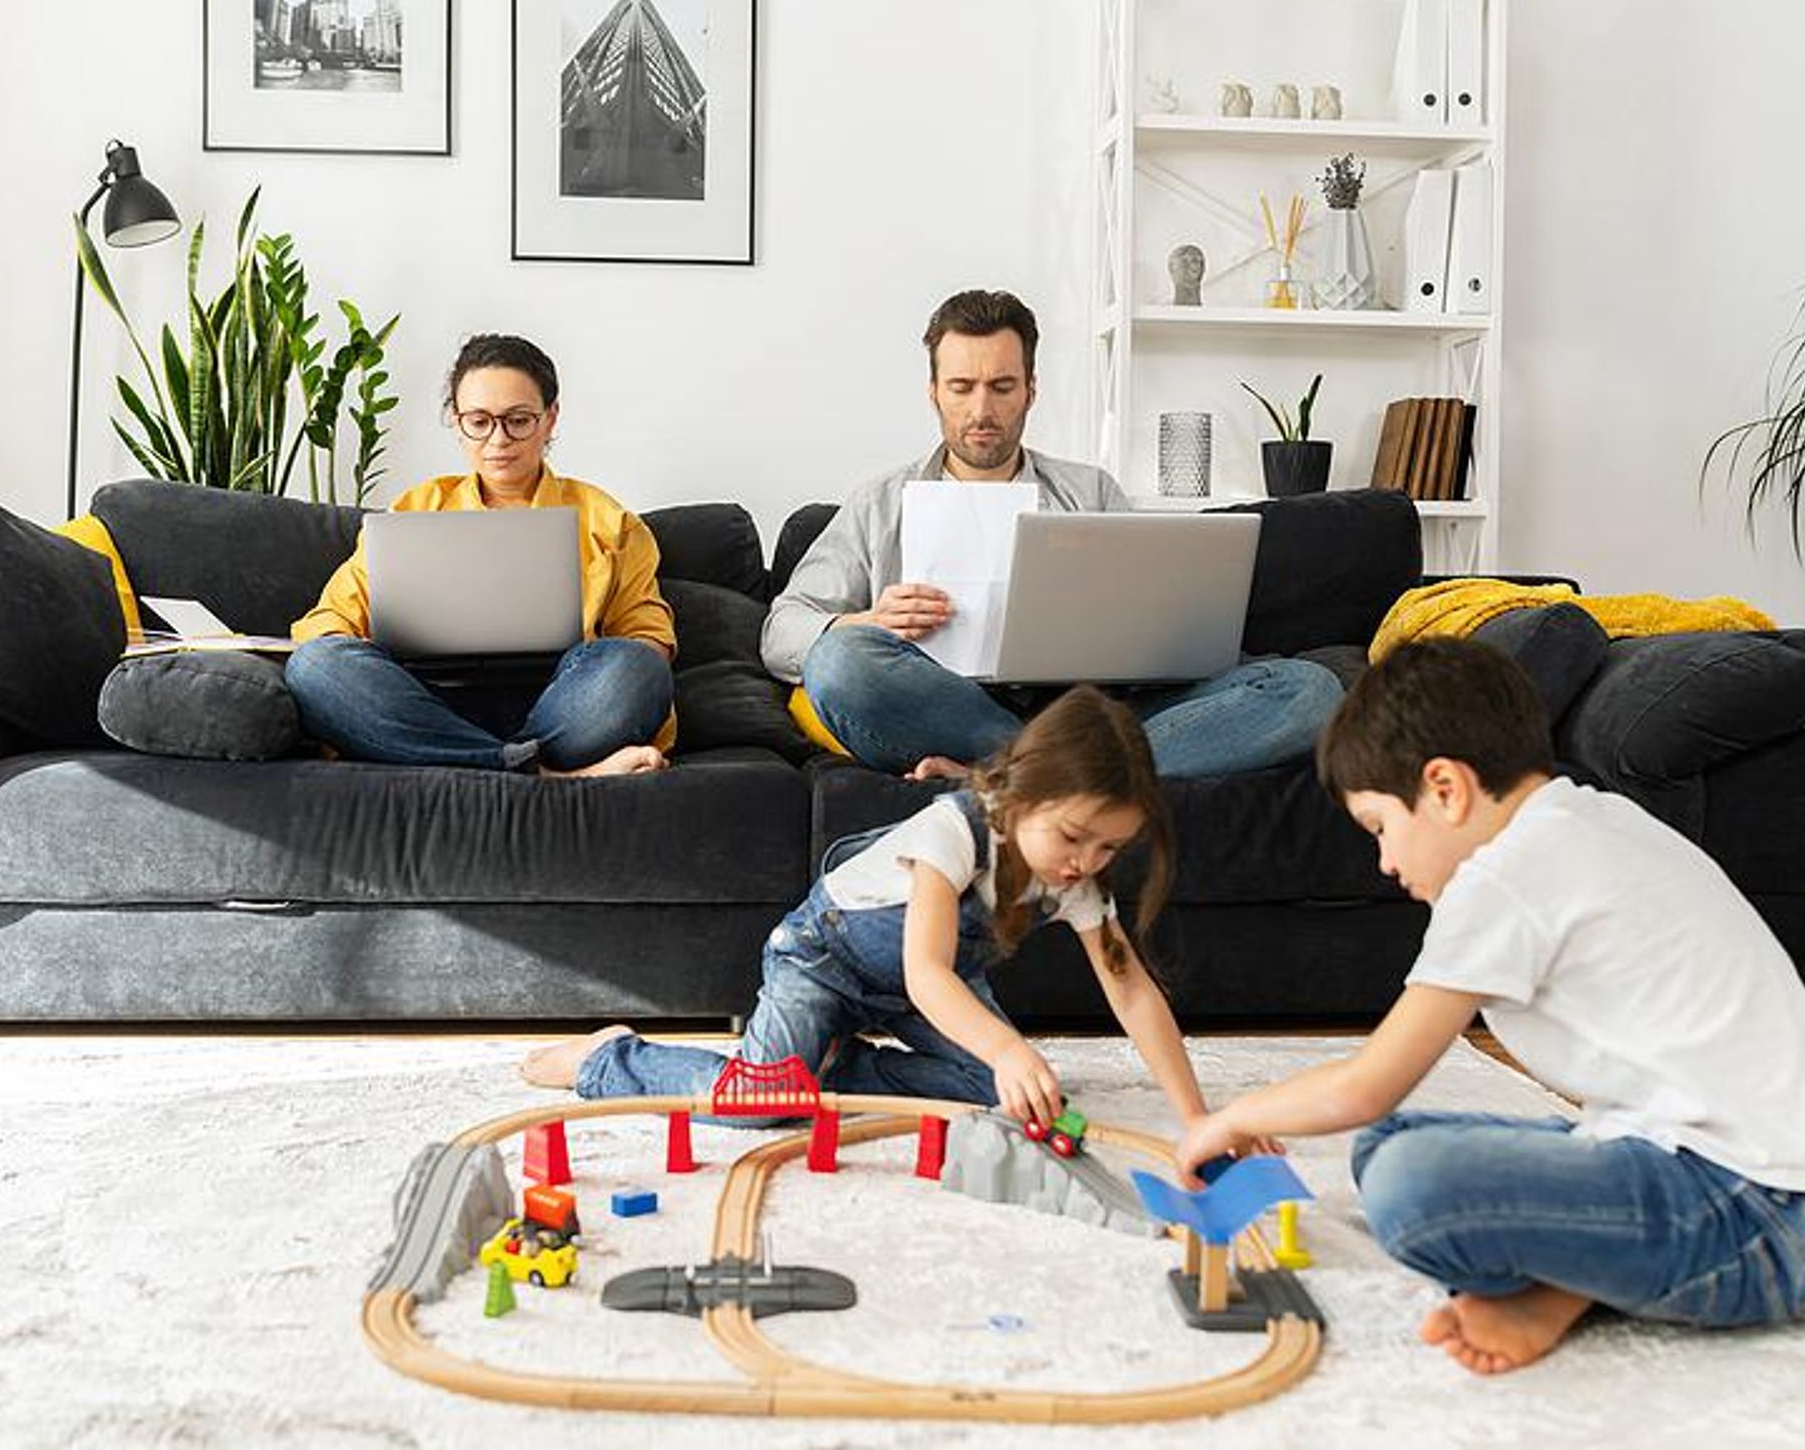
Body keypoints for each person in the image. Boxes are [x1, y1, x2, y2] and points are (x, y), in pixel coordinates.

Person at [1175, 639, 1805, 1375]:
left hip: (1754, 1221)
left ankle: (1571, 1279)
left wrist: (1233, 1117)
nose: (1385, 862)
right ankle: (1562, 1286)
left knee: (1412, 1184)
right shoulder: (1589, 820)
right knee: (1386, 1143)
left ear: (1446, 788)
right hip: (1773, 1194)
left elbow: (1368, 1082)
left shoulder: (1504, 876)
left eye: (1380, 828)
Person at [524, 685, 1238, 1138]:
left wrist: (1199, 1115)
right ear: (1021, 792)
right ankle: (606, 1057)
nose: (1086, 862)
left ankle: (826, 1073)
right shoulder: (954, 829)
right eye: (1075, 837)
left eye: (1110, 847)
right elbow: (927, 971)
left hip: (921, 990)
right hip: (826, 960)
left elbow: (1131, 989)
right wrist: (1008, 1045)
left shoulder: (1077, 877)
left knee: (993, 1096)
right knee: (756, 1103)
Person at [760, 288, 1341, 781]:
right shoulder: (880, 501)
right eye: (961, 387)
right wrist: (868, 621)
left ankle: (1024, 775)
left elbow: (1161, 631)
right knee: (839, 662)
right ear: (933, 392)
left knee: (1309, 689)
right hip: (954, 709)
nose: (981, 409)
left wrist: (1150, 637)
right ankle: (1068, 774)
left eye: (1002, 387)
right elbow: (782, 630)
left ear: (1031, 391)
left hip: (1095, 709)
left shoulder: (1091, 492)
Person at [285, 334, 677, 777]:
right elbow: (326, 623)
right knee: (315, 665)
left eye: (519, 420)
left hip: (562, 703)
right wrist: (355, 647)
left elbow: (650, 640)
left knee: (638, 668)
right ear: (457, 421)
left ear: (550, 419)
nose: (499, 439)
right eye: (479, 421)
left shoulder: (610, 521)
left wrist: (625, 666)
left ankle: (479, 761)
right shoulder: (415, 510)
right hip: (427, 700)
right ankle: (539, 773)